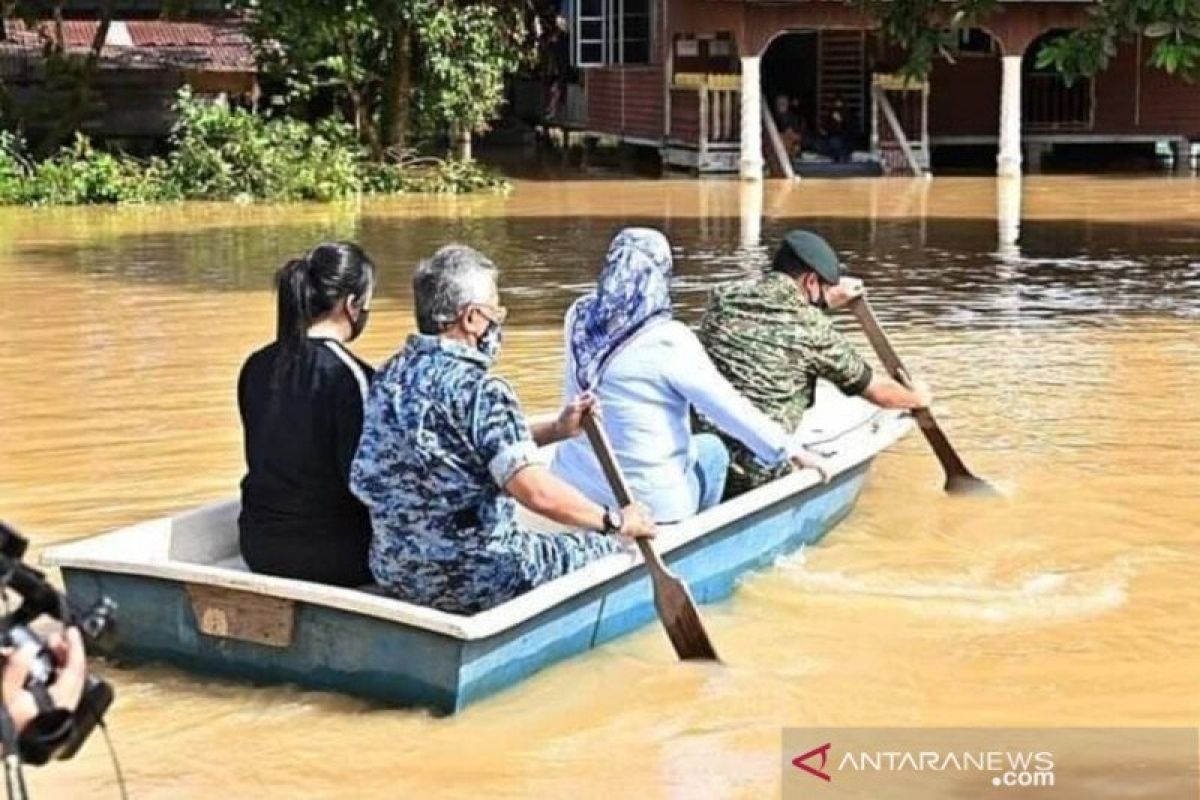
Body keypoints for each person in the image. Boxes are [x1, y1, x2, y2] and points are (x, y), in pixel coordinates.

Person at [350, 244, 656, 615]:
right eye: (497, 310)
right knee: (610, 550)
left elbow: (465, 449)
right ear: (473, 318)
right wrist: (615, 521)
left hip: (396, 570)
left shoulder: (389, 376)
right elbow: (537, 495)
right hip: (476, 577)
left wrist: (558, 430)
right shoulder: (483, 391)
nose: (499, 321)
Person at [550, 228, 829, 523]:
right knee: (713, 450)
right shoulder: (668, 340)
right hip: (650, 506)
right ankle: (697, 534)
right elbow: (728, 408)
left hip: (571, 490)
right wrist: (792, 451)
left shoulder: (577, 317)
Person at [698, 229, 932, 497]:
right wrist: (917, 397)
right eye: (825, 286)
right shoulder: (812, 328)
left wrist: (824, 299)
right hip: (756, 472)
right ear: (810, 281)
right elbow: (877, 391)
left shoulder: (722, 299)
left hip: (706, 456)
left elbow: (776, 317)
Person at [237, 242, 377, 587]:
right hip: (338, 555)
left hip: (258, 547)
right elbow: (365, 482)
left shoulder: (255, 366)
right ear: (351, 305)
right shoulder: (353, 376)